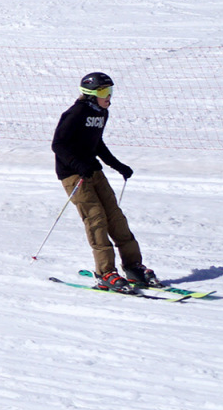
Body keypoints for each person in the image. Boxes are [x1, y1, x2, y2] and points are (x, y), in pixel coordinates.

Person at [52, 71, 157, 291]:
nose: (108, 97)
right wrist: (78, 165)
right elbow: (58, 145)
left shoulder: (101, 113)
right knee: (96, 219)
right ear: (90, 94)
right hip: (74, 175)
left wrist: (117, 165)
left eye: (109, 91)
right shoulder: (75, 113)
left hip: (93, 171)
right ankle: (105, 272)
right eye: (103, 92)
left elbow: (97, 143)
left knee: (116, 218)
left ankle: (133, 266)